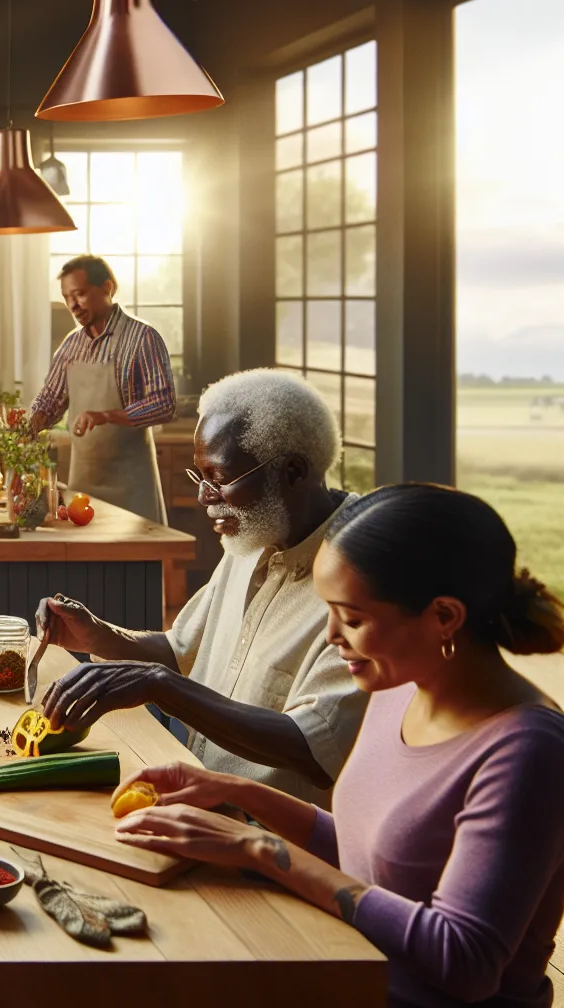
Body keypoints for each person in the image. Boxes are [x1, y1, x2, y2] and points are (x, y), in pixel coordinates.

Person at [115, 483, 564, 1008]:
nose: (331, 635)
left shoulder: (528, 752)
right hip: (341, 969)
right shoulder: (400, 686)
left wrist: (259, 849)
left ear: (444, 617)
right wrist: (235, 793)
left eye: (352, 617)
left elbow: (464, 962)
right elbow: (372, 854)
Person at [38, 369, 366, 805]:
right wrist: (97, 633)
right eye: (200, 477)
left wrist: (160, 687)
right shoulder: (253, 537)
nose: (204, 497)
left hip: (272, 838)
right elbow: (180, 652)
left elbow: (312, 748)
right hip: (196, 801)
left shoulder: (361, 580)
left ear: (293, 471)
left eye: (220, 477)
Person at [28, 255, 175, 524]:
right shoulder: (71, 345)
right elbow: (50, 399)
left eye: (80, 294)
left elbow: (164, 405)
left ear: (106, 288)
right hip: (84, 486)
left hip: (132, 487)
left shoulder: (143, 338)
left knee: (136, 562)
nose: (73, 304)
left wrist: (105, 416)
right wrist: (25, 427)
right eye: (66, 297)